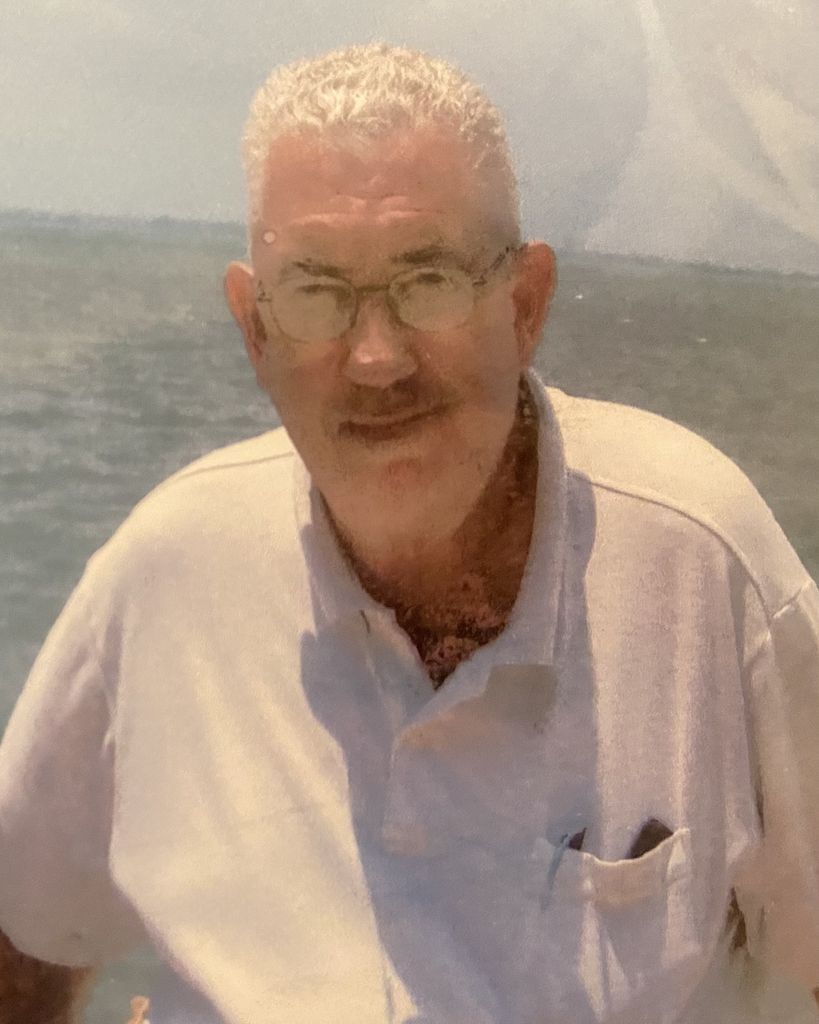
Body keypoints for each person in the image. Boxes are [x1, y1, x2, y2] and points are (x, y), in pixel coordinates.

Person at [1, 41, 818, 1024]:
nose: (376, 357)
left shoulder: (701, 563)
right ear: (255, 327)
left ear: (524, 305)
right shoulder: (165, 571)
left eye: (427, 280)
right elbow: (22, 939)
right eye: (315, 293)